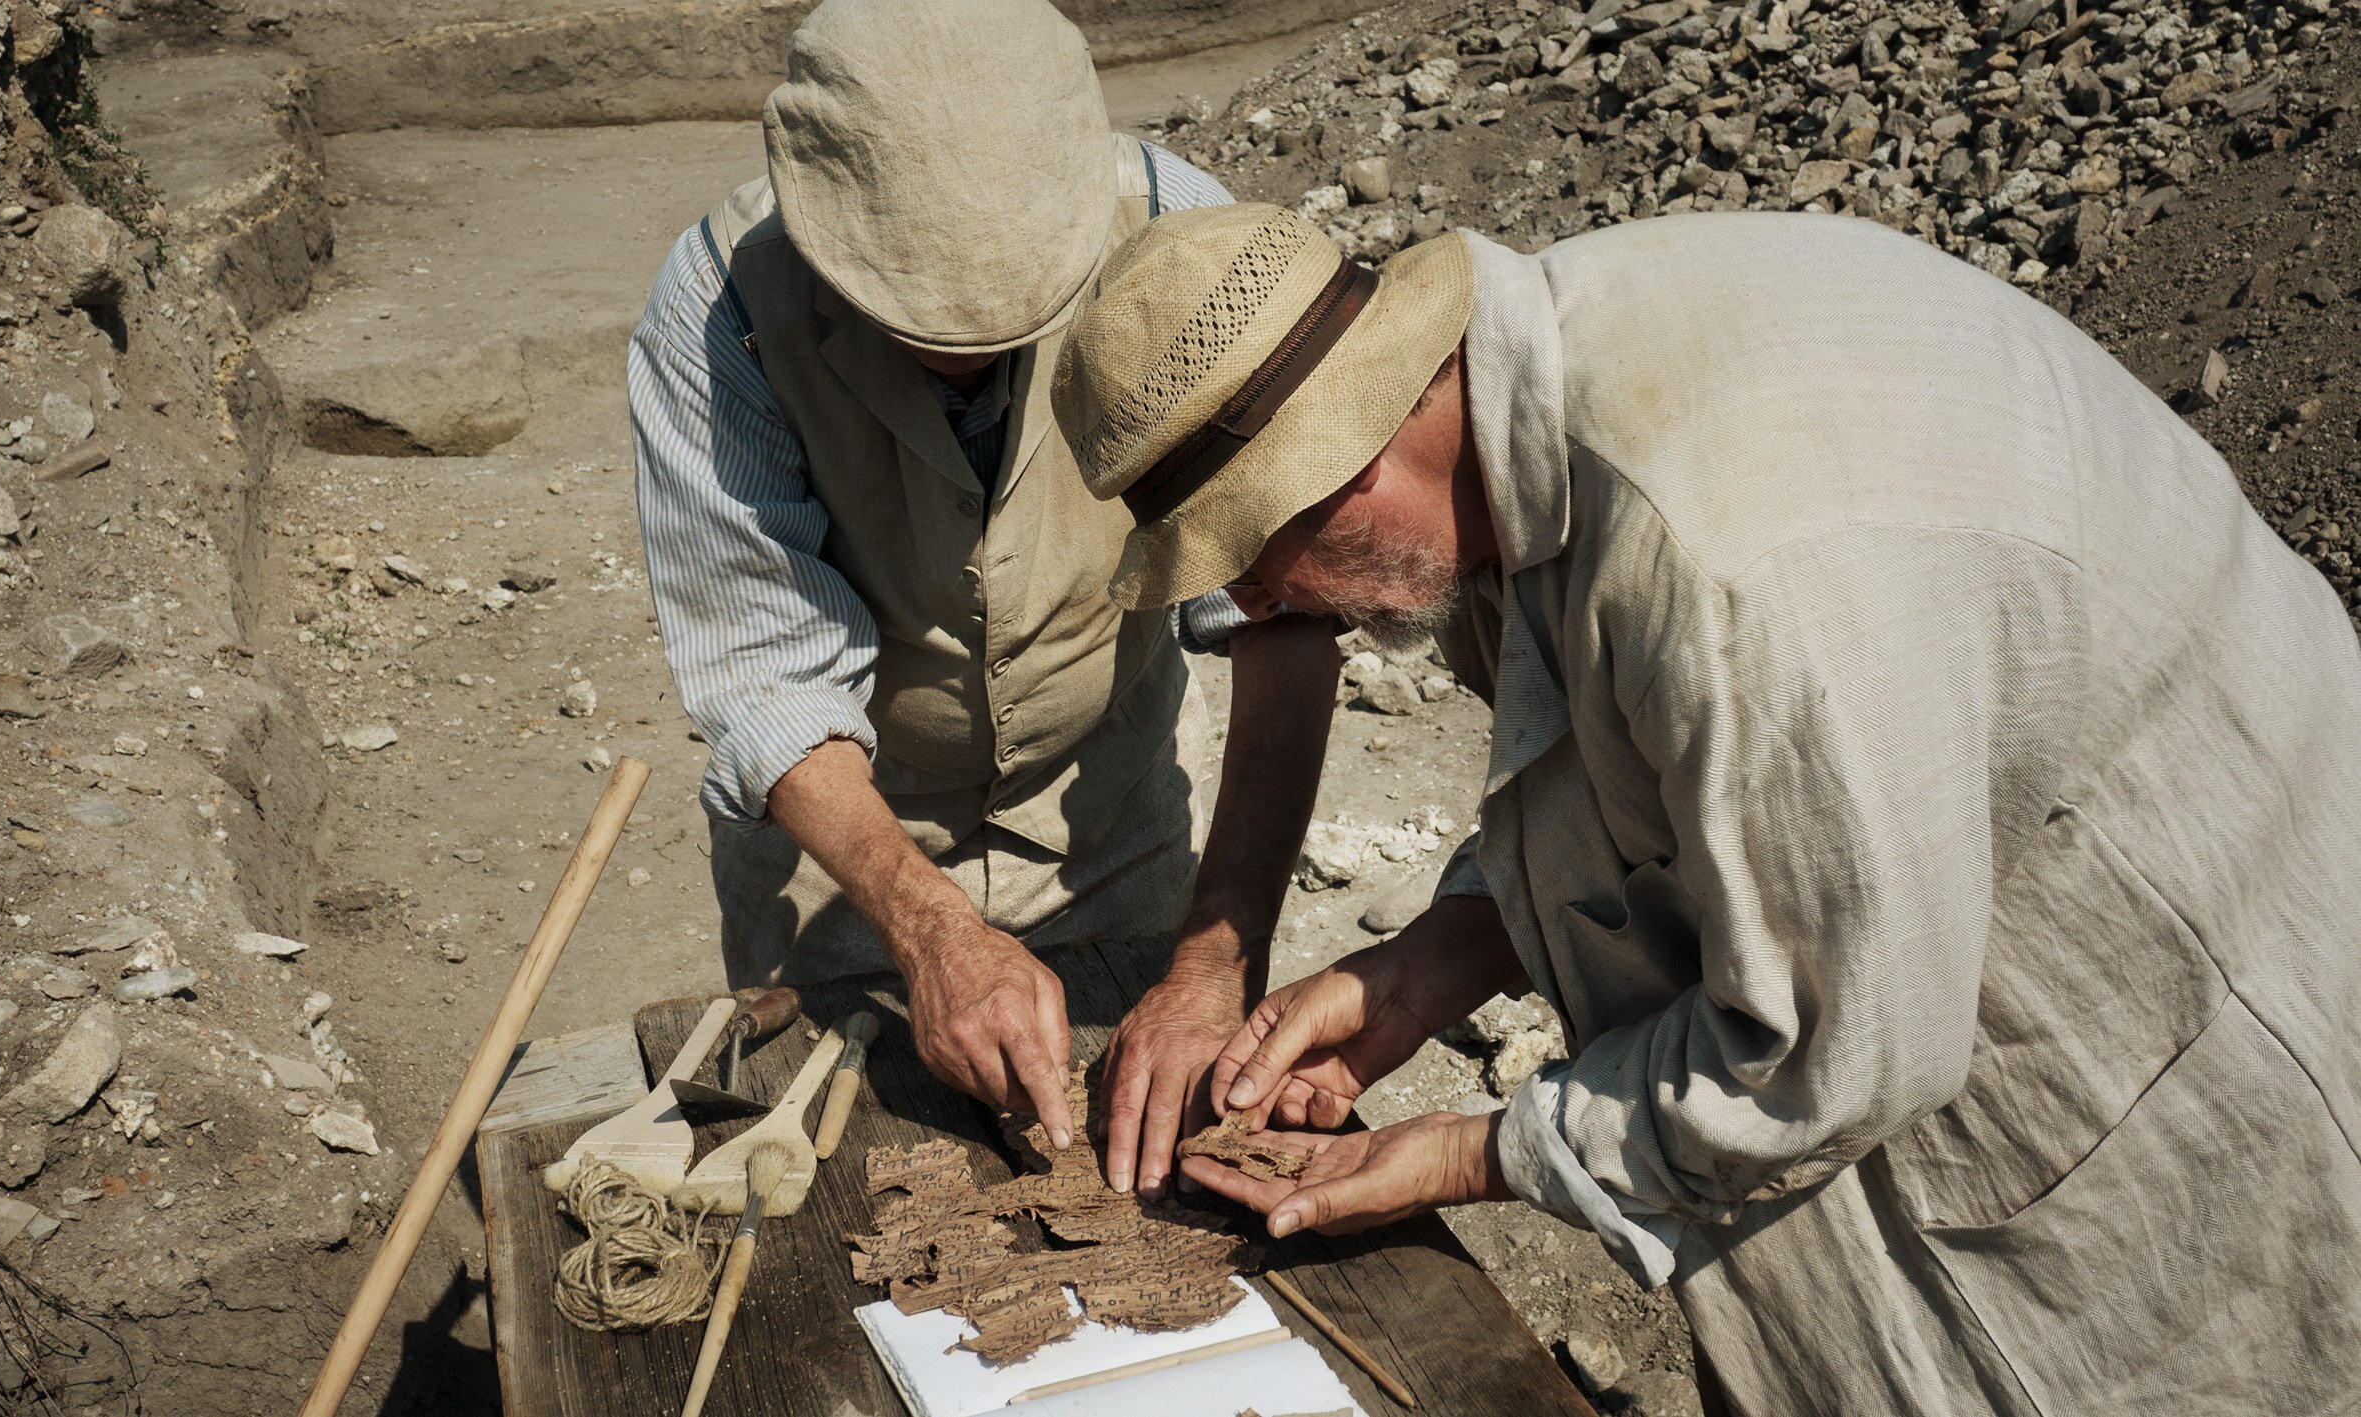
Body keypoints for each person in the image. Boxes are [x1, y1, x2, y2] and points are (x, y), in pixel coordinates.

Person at [1050, 202, 2361, 1416]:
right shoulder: (1500, 454)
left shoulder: (1728, 562)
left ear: (1342, 473)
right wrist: (1420, 968)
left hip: (2162, 960)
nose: (1272, 613)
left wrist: (1470, 1153)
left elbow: (1836, 1050)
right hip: (1908, 910)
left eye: (1256, 567)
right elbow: (1638, 784)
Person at [630, 0, 1337, 1182]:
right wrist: (924, 924)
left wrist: (1217, 957)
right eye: (917, 324)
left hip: (1111, 824)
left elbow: (1280, 616)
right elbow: (767, 676)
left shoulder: (1189, 251)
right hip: (846, 856)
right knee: (835, 1209)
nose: (968, 354)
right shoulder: (723, 315)